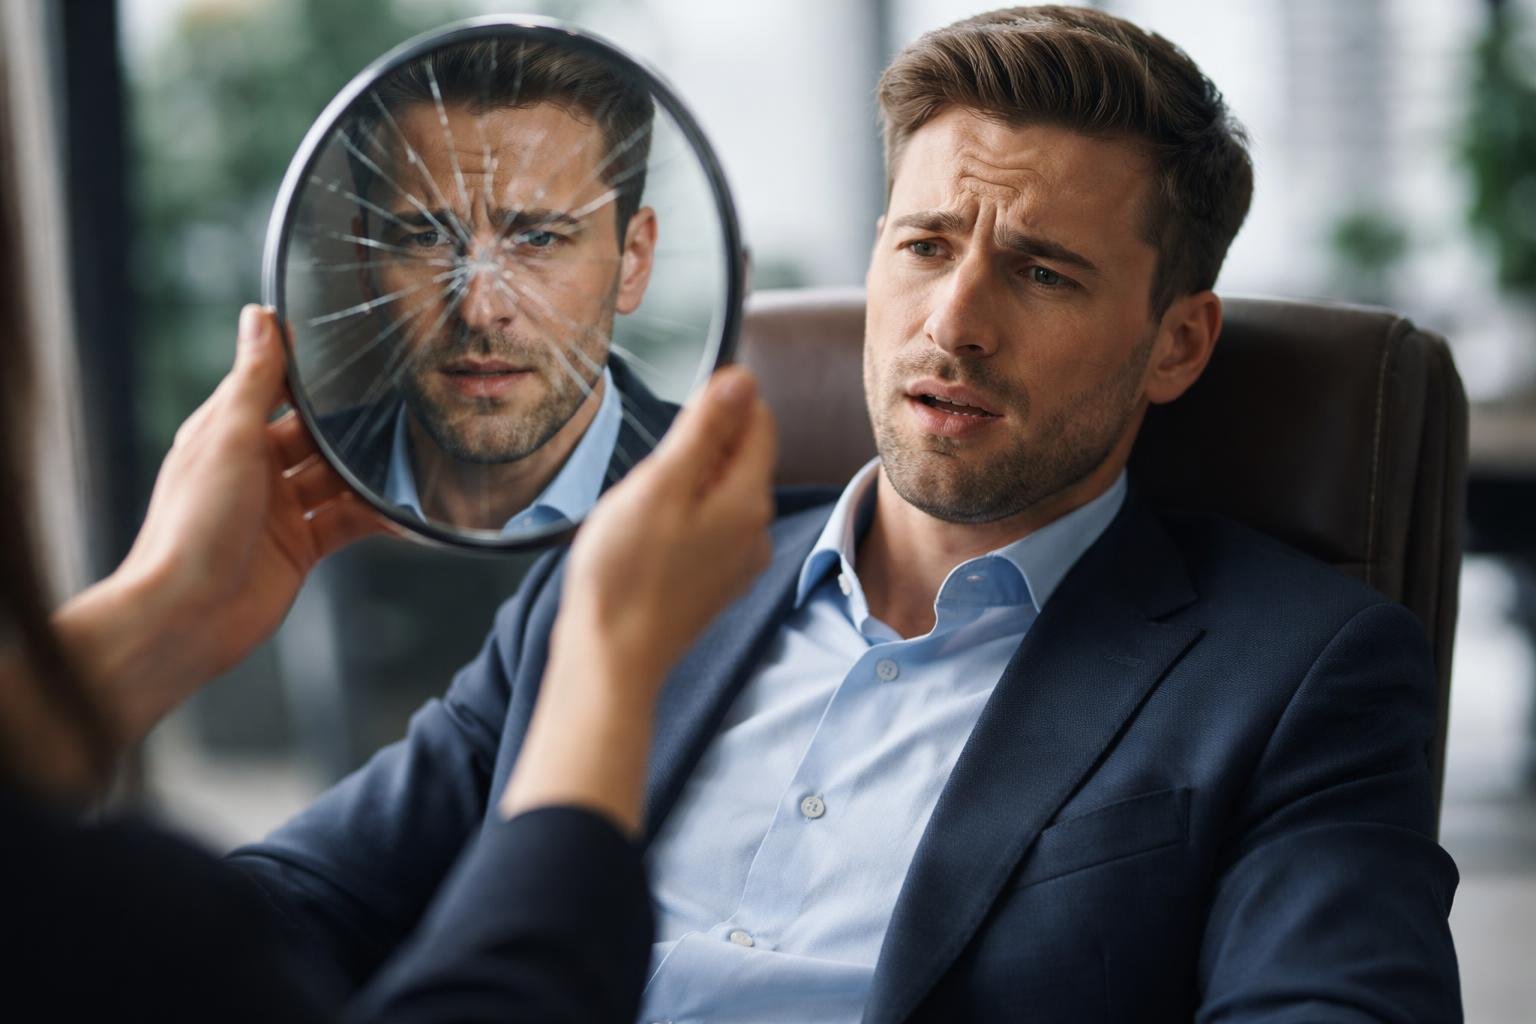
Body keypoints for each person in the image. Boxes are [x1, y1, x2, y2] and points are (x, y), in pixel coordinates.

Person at [232, 6, 1463, 1021]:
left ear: (1177, 344)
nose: (953, 323)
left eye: (1041, 271)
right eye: (927, 245)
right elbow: (288, 902)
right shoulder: (628, 580)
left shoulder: (1304, 674)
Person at [322, 39, 672, 532]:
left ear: (633, 260)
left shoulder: (755, 516)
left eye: (538, 238)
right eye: (427, 238)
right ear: (365, 263)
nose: (478, 310)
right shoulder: (270, 507)